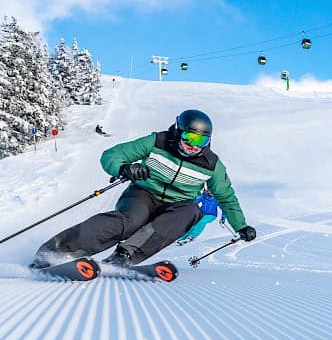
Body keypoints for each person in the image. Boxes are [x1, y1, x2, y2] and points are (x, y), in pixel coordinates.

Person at [33, 109, 256, 268]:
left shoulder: (211, 164)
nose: (193, 146)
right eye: (189, 137)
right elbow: (112, 155)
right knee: (129, 221)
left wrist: (241, 226)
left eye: (201, 141)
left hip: (178, 205)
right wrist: (125, 167)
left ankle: (125, 256)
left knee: (190, 212)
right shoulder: (157, 142)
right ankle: (58, 250)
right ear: (178, 131)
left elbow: (226, 196)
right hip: (143, 194)